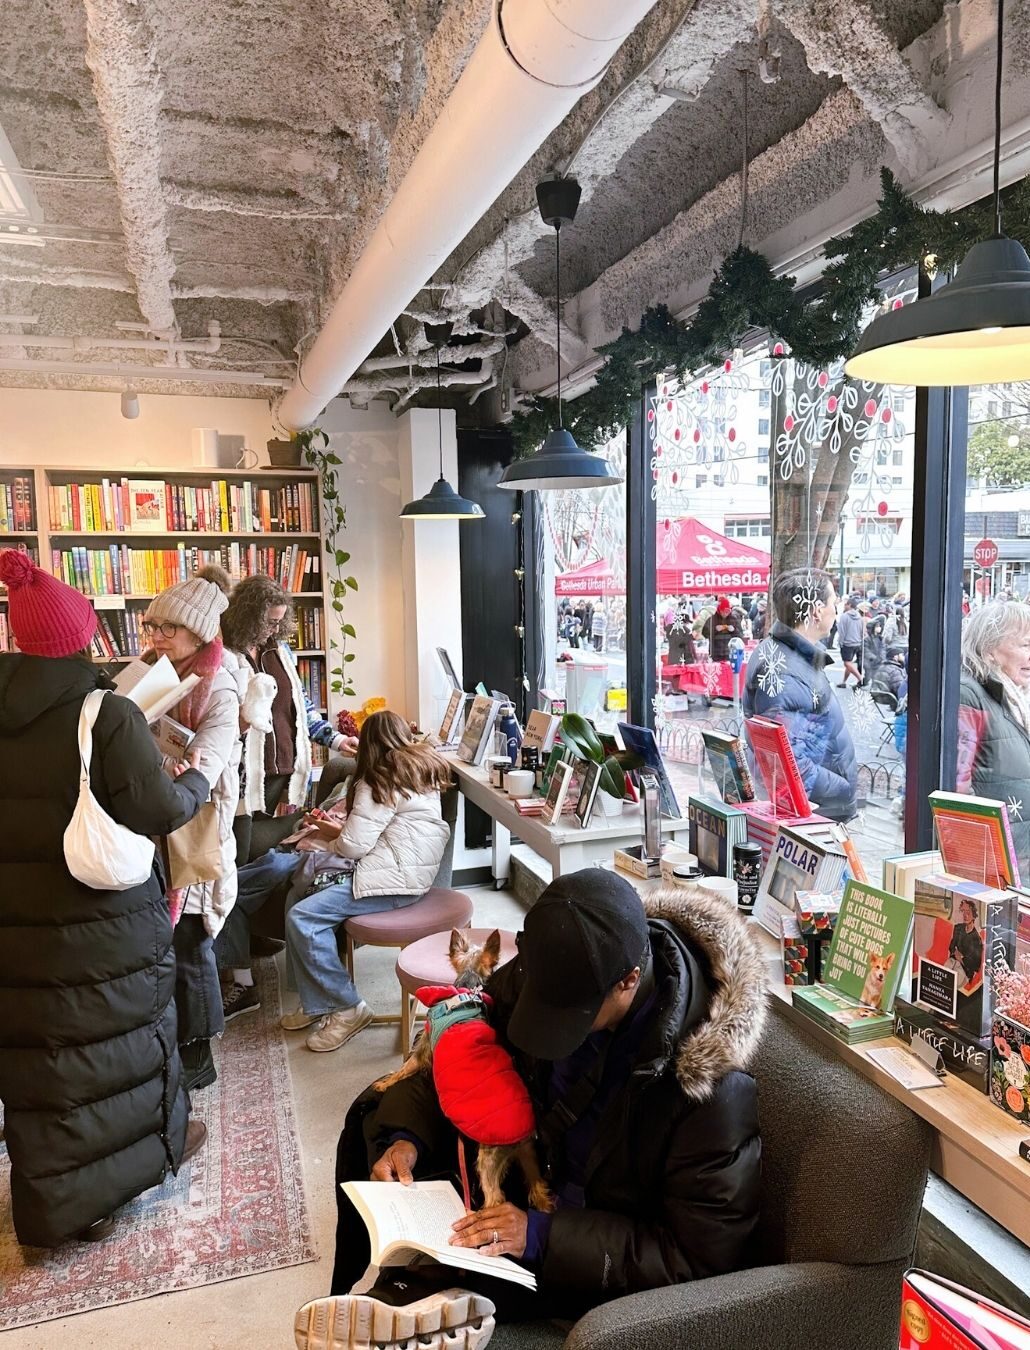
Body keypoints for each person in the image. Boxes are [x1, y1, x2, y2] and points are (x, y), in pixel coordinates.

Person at [295, 870, 765, 1349]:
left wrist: (540, 1234)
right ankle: (408, 1300)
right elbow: (460, 1055)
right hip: (517, 1189)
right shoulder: (543, 972)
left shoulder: (709, 1089)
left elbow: (696, 1260)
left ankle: (419, 1303)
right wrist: (406, 1137)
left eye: (569, 1019)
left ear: (629, 980)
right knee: (375, 1116)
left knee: (431, 1288)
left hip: (584, 1246)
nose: (547, 1031)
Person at [0, 551, 210, 1245]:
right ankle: (109, 1188)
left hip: (20, 924)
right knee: (113, 1047)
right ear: (82, 638)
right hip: (101, 921)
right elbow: (155, 809)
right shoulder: (106, 714)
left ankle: (58, 1201)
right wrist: (197, 783)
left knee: (45, 1056)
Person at [281, 710, 451, 1053]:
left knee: (303, 916)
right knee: (300, 899)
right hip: (408, 873)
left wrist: (328, 840)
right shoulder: (417, 770)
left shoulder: (379, 779)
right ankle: (319, 1002)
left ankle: (347, 1006)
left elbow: (353, 847)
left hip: (391, 879)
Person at [142, 576, 242, 1092]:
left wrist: (148, 756)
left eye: (169, 627)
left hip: (197, 827)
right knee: (166, 938)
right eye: (152, 624)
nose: (156, 635)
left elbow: (207, 765)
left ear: (200, 634)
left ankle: (198, 1056)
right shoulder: (153, 671)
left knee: (192, 939)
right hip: (152, 821)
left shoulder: (219, 687)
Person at [222, 574, 356, 863]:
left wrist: (337, 739)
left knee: (268, 847)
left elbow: (301, 706)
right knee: (236, 849)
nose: (274, 629)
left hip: (283, 768)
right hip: (241, 772)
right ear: (248, 616)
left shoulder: (280, 651)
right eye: (269, 621)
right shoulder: (226, 654)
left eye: (279, 622)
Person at [743, 567, 858, 823]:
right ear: (816, 610)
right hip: (815, 819)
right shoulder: (786, 671)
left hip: (815, 813)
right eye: (833, 604)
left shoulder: (788, 656)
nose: (835, 612)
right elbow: (791, 766)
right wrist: (843, 790)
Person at [957, 601, 1030, 877]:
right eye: (1025, 645)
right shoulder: (971, 694)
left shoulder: (1017, 697)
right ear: (990, 650)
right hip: (999, 865)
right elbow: (957, 790)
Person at [835, 594, 864, 689]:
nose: (844, 606)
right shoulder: (859, 615)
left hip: (847, 643)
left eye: (845, 604)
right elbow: (862, 629)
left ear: (849, 605)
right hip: (857, 642)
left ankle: (860, 678)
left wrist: (840, 642)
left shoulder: (844, 616)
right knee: (849, 663)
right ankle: (843, 682)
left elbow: (842, 631)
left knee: (847, 663)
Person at [705, 596, 742, 662]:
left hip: (730, 651)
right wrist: (715, 630)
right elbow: (705, 633)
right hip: (716, 652)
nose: (725, 614)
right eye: (724, 612)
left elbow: (740, 636)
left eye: (727, 612)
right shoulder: (712, 619)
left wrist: (734, 630)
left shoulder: (734, 619)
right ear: (720, 610)